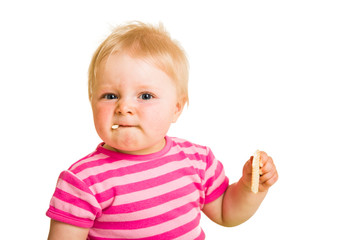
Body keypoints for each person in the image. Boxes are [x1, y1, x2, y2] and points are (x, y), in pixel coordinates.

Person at [46, 21, 278, 240]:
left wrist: (249, 189)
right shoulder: (83, 181)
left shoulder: (197, 161)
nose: (124, 107)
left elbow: (227, 214)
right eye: (110, 96)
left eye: (145, 96)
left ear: (176, 108)